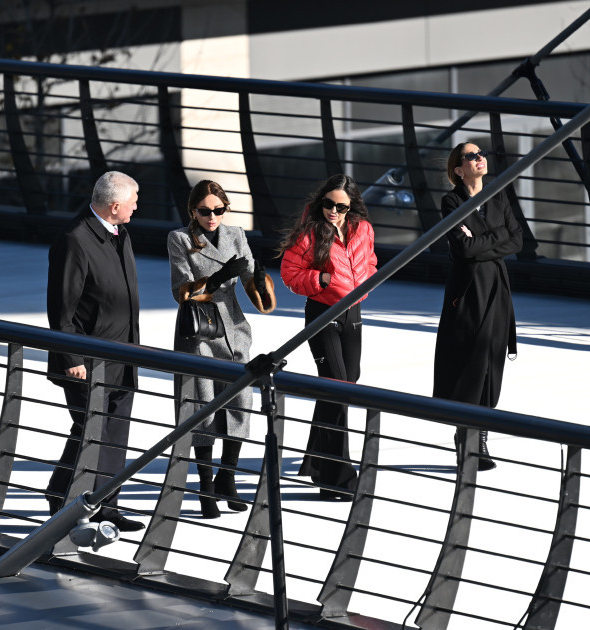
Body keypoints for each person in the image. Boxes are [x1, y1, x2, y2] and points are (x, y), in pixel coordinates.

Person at [167, 180, 276, 519]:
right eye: (204, 211)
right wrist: (216, 279)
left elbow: (251, 280)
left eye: (219, 210)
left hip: (233, 328)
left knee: (240, 403)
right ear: (192, 211)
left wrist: (260, 283)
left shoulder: (236, 234)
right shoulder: (180, 238)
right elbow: (181, 291)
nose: (212, 217)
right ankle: (205, 487)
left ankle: (227, 478)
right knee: (203, 408)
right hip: (200, 329)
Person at [45, 170, 144, 531]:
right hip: (87, 362)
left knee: (114, 435)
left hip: (124, 355)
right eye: (133, 201)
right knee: (90, 430)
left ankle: (106, 508)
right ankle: (60, 498)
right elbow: (61, 309)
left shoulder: (120, 233)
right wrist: (72, 358)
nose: (136, 207)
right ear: (115, 206)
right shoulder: (75, 240)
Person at [279, 174, 378, 500]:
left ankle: (316, 461)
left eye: (341, 206)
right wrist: (320, 279)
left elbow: (370, 260)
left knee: (347, 383)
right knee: (336, 387)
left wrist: (368, 278)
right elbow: (290, 274)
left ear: (352, 207)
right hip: (322, 314)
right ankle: (338, 478)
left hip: (352, 314)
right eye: (328, 204)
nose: (333, 211)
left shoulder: (363, 229)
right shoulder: (309, 233)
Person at [433, 142, 523, 471]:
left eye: (481, 153)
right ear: (459, 169)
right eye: (471, 156)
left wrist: (480, 241)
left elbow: (517, 240)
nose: (479, 158)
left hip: (497, 287)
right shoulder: (452, 201)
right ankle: (466, 437)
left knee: (491, 364)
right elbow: (463, 250)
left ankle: (481, 438)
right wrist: (496, 237)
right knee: (468, 364)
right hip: (468, 290)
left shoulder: (499, 195)